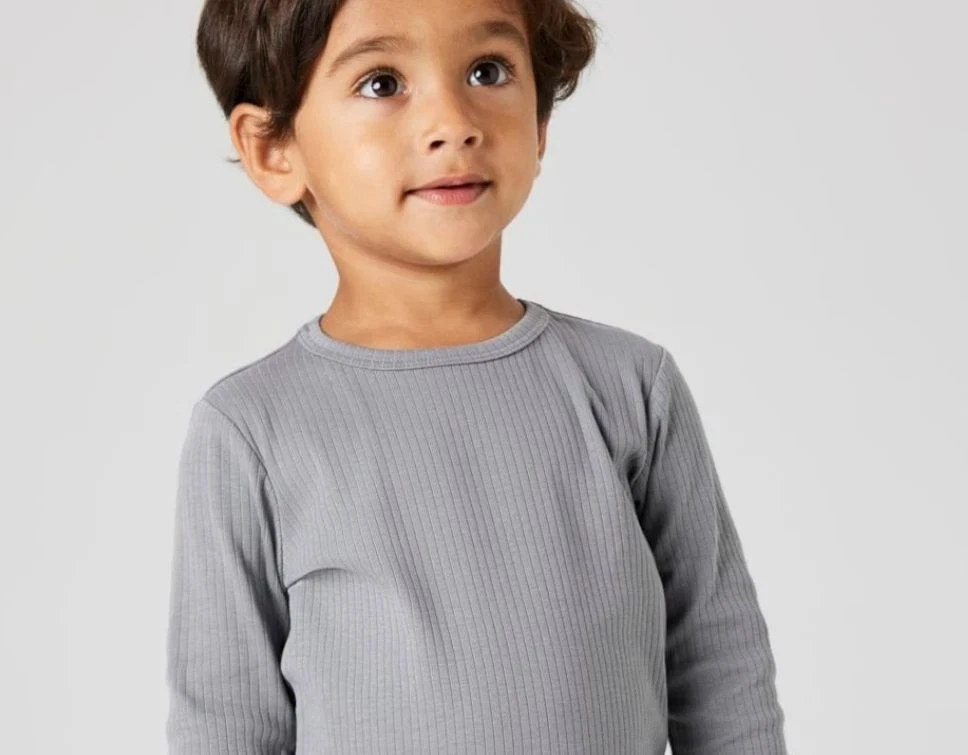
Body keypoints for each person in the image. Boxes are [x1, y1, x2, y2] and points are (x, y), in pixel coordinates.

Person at [165, 0, 789, 752]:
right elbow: (225, 724)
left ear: (541, 121)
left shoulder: (631, 387)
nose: (453, 122)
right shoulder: (251, 429)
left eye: (487, 72)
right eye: (382, 82)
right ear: (274, 148)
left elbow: (722, 673)